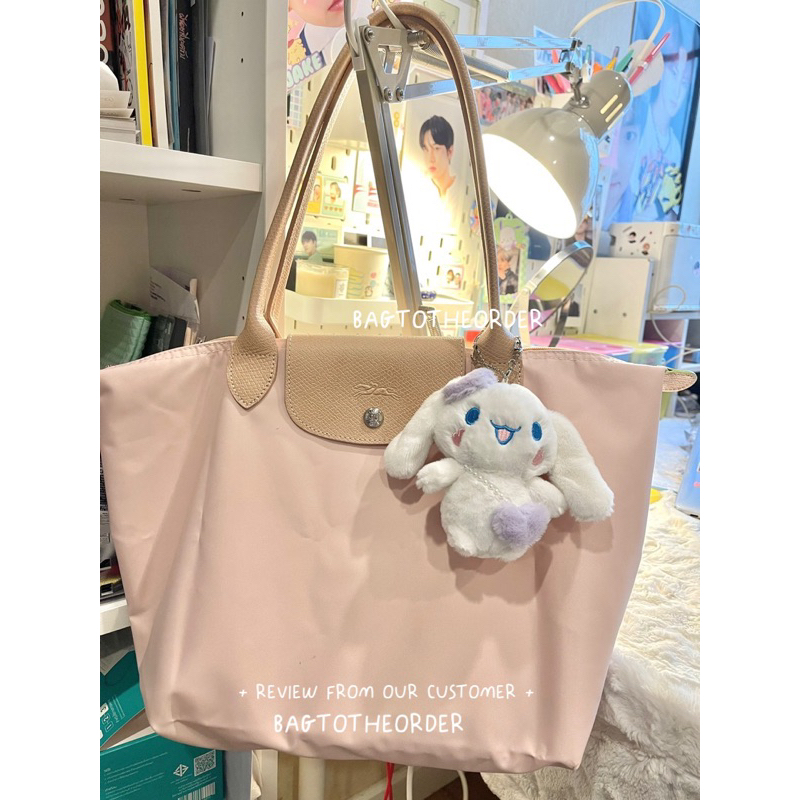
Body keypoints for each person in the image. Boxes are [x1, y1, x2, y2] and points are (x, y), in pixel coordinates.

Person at [419, 115, 456, 198]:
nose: (431, 159)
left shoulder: (459, 190)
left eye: (436, 148)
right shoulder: (420, 191)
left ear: (450, 152)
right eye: (426, 149)